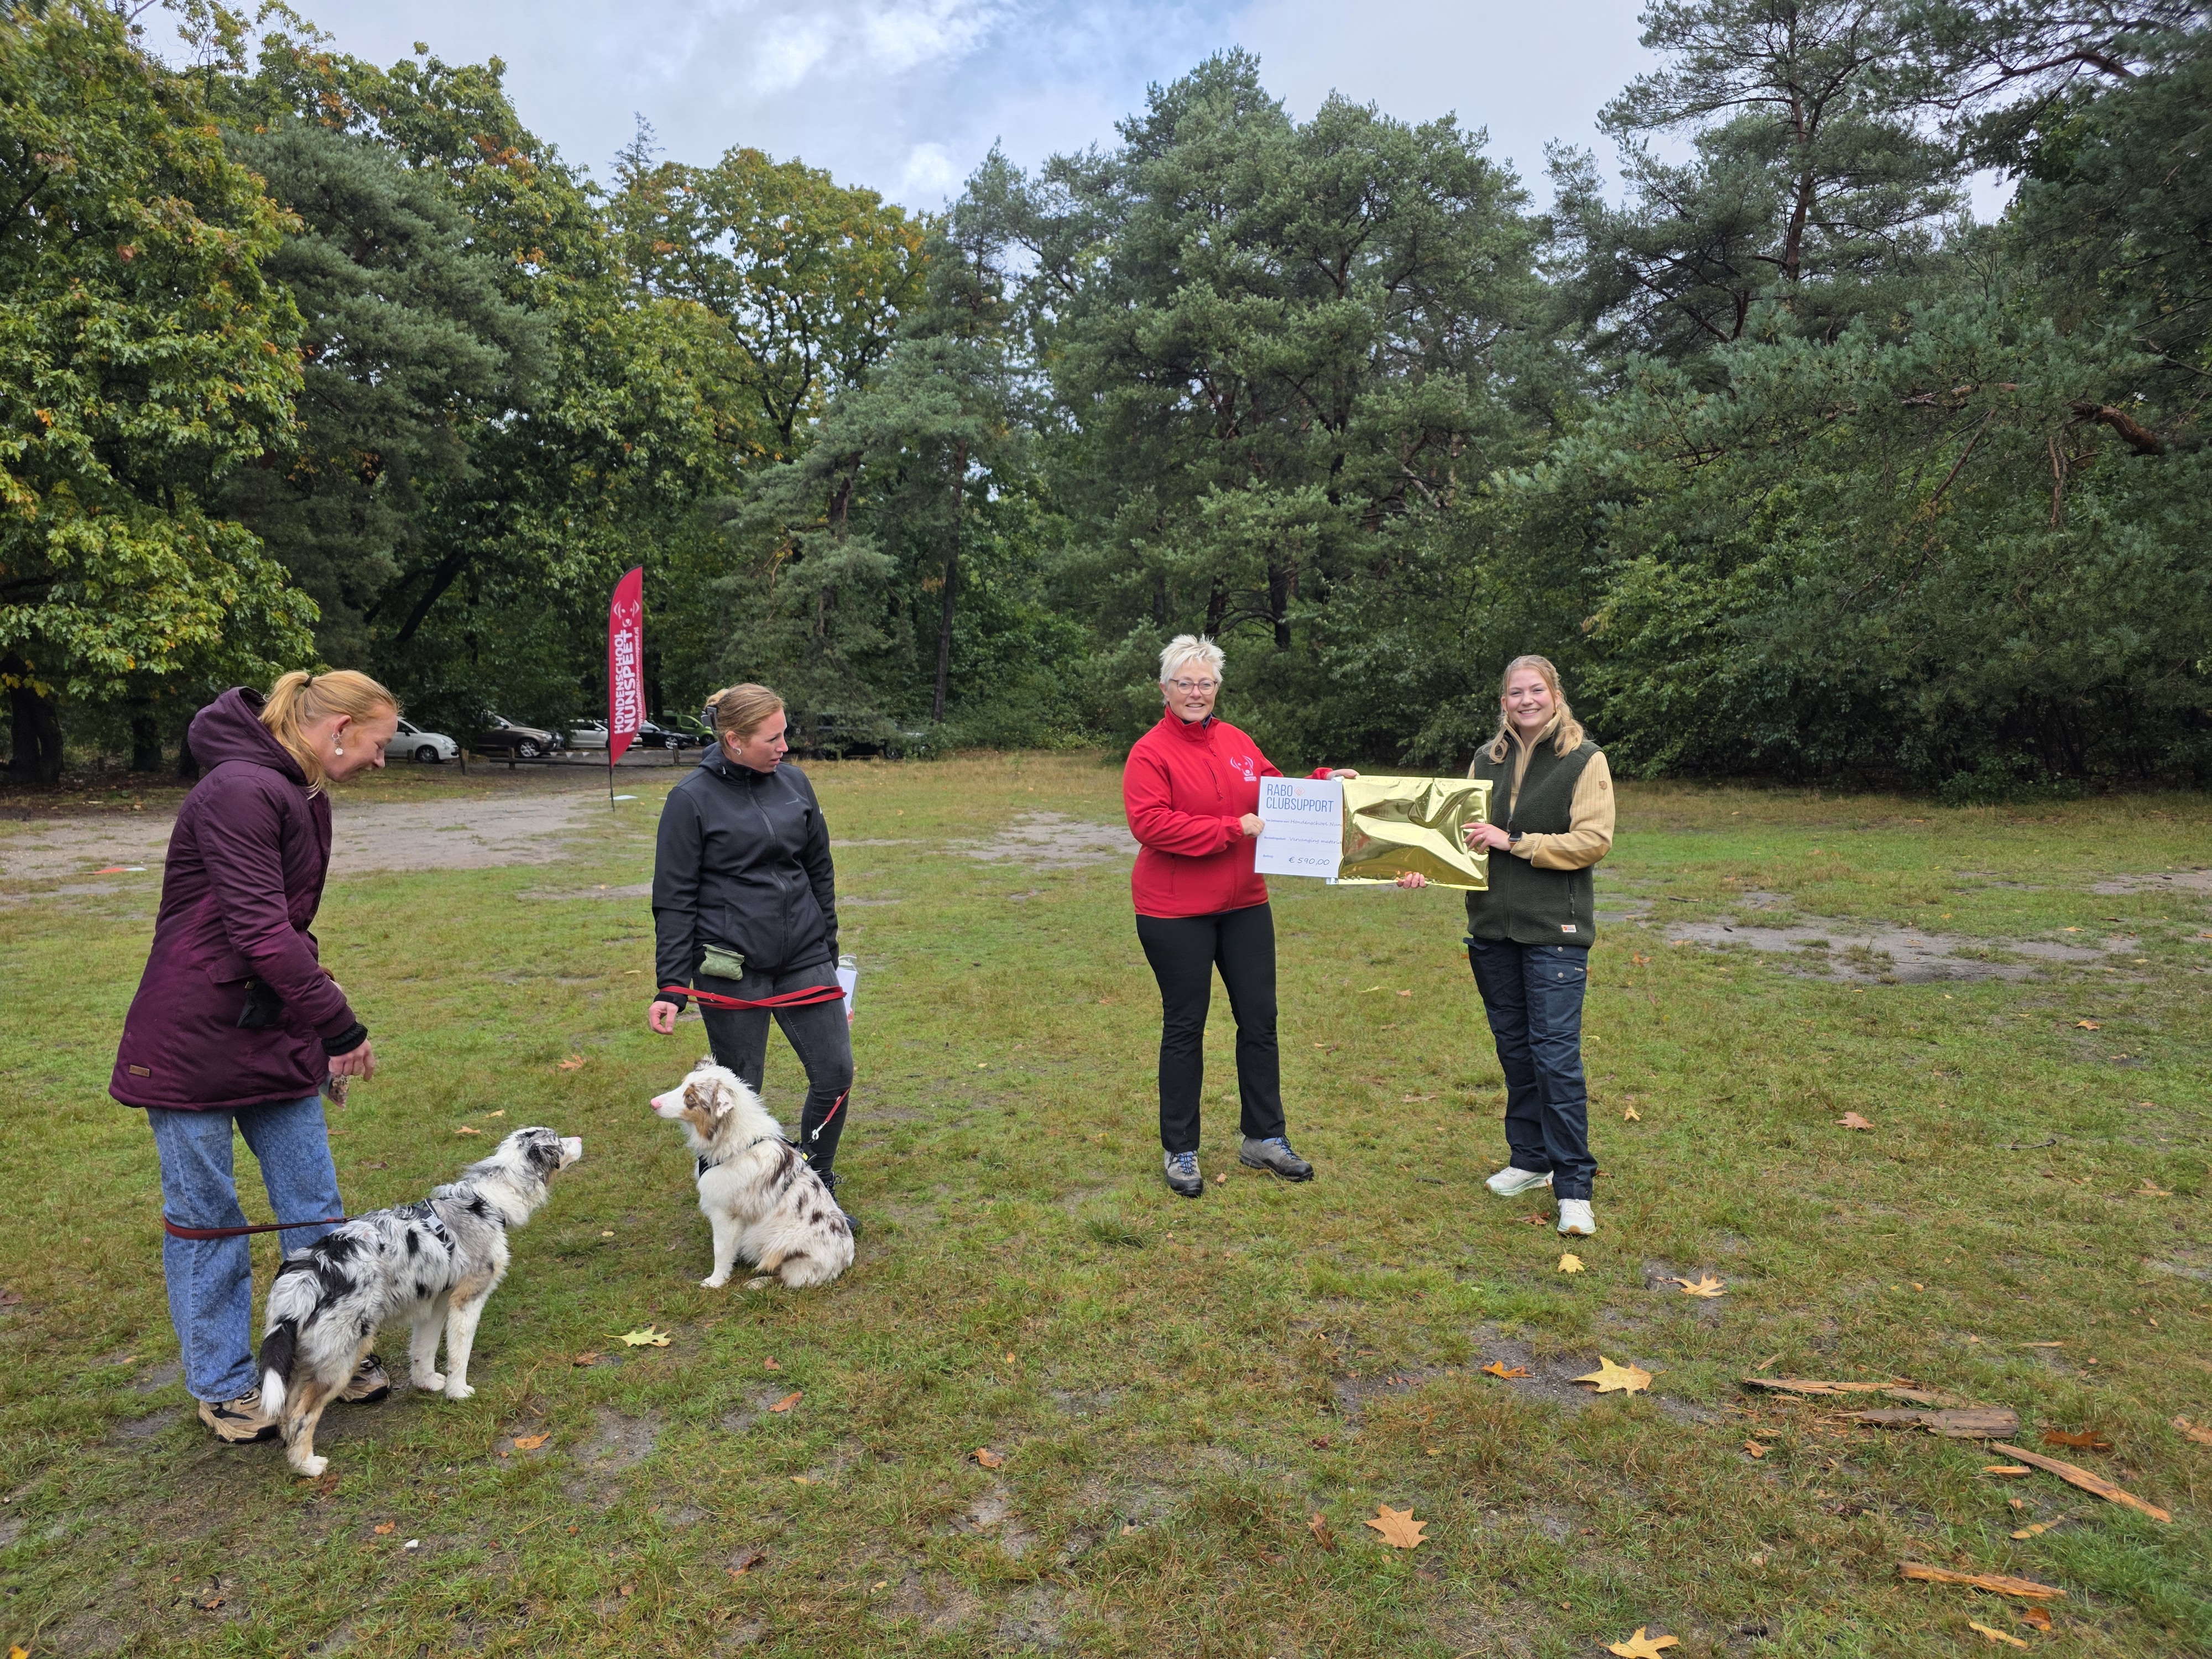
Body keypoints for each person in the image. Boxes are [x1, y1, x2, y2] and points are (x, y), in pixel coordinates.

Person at [112, 671, 399, 1444]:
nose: (381, 761)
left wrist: (313, 1014)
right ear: (337, 727)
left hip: (267, 1027)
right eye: (378, 743)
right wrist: (339, 1028)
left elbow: (282, 929)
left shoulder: (299, 793)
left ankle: (324, 1352)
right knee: (208, 1220)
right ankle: (225, 1386)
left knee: (313, 1205)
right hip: (190, 1040)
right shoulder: (241, 789)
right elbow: (257, 933)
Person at [1123, 635, 1358, 1197]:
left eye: (1205, 683)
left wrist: (1322, 785)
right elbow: (1150, 824)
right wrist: (1230, 829)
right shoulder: (1149, 752)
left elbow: (1276, 795)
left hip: (1245, 904)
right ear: (1165, 689)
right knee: (1185, 1026)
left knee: (1260, 1020)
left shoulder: (1236, 742)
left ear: (1217, 688)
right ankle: (1181, 1149)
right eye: (1185, 683)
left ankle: (1264, 1137)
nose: (1196, 692)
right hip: (1175, 912)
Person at [1396, 655, 1614, 1236]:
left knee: (1555, 1058)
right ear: (1503, 702)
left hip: (1555, 935)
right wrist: (1418, 866)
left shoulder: (1583, 760)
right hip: (1492, 930)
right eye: (1514, 693)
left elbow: (1592, 840)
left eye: (1535, 690)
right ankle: (1529, 1160)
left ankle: (1573, 1188)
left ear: (1554, 693)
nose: (1525, 701)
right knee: (1515, 1052)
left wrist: (1513, 841)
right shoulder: (1484, 760)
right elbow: (1457, 841)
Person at [648, 685, 857, 1223]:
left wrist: (828, 951)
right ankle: (725, 1200)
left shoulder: (795, 784)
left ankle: (815, 1182)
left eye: (784, 732)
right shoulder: (690, 799)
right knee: (737, 1093)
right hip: (729, 964)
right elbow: (674, 897)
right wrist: (672, 983)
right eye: (773, 737)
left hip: (803, 954)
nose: (785, 745)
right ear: (734, 740)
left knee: (835, 1071)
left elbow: (818, 869)